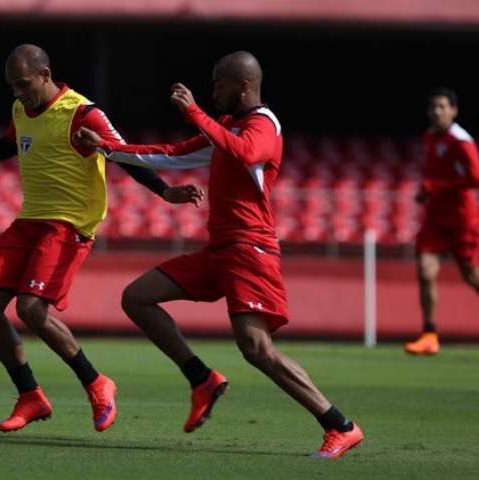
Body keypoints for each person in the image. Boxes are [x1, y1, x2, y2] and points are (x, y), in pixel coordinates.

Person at [75, 51, 363, 459]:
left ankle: (340, 425)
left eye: (219, 85)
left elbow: (246, 152)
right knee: (136, 297)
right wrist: (106, 148)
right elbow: (170, 155)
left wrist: (194, 111)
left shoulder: (264, 123)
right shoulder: (225, 127)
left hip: (251, 248)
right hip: (220, 249)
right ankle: (201, 378)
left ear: (244, 86)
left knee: (256, 348)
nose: (213, 93)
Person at [0, 44, 203, 433]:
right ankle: (30, 395)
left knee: (31, 309)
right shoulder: (21, 109)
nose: (17, 92)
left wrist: (165, 192)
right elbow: (5, 146)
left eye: (23, 84)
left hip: (69, 225)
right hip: (29, 220)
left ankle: (97, 383)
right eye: (12, 86)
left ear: (45, 74)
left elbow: (125, 154)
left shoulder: (84, 113)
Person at [405, 88, 479, 355]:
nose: (437, 111)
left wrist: (434, 186)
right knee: (425, 272)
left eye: (442, 107)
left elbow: (475, 178)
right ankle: (429, 334)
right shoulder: (429, 137)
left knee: (471, 275)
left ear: (453, 111)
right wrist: (426, 192)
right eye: (433, 107)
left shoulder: (462, 141)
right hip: (435, 219)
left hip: (461, 220)